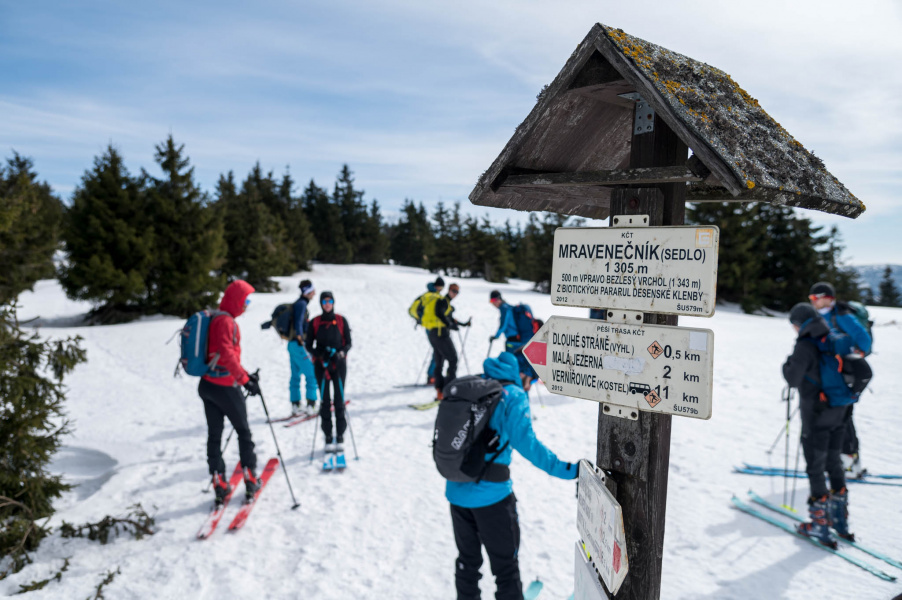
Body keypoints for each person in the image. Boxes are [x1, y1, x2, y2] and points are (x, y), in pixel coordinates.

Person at [446, 352, 579, 600]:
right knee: (505, 567)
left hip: (456, 491)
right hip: (492, 497)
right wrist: (566, 469)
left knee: (467, 561)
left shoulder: (472, 388)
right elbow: (528, 445)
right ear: (519, 373)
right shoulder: (512, 396)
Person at [783, 303, 853, 547]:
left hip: (816, 414)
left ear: (800, 323)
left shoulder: (805, 344)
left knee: (815, 465)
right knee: (834, 462)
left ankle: (820, 525)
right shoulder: (831, 337)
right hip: (839, 410)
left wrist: (787, 364)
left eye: (793, 323)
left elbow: (792, 379)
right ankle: (840, 522)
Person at [199, 279, 261, 502]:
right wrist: (245, 381)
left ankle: (219, 482)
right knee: (243, 432)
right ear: (236, 300)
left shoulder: (217, 318)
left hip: (207, 385)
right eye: (245, 300)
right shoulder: (226, 322)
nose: (246, 305)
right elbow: (226, 354)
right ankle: (250, 478)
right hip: (225, 387)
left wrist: (245, 375)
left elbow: (224, 356)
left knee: (214, 435)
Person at [808, 282, 872, 477]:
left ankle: (851, 461)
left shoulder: (842, 315)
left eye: (815, 298)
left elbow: (864, 340)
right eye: (811, 299)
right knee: (838, 416)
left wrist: (855, 356)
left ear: (827, 297)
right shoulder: (822, 316)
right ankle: (845, 460)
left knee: (844, 415)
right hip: (832, 374)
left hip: (846, 375)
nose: (813, 302)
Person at [306, 291, 352, 452]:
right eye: (324, 301)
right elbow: (308, 344)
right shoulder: (315, 322)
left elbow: (348, 343)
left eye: (330, 300)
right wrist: (319, 354)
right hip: (321, 365)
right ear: (320, 303)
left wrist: (340, 353)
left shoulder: (340, 320)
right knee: (325, 400)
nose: (327, 304)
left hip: (338, 364)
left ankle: (340, 434)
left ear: (333, 302)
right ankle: (327, 434)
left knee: (339, 399)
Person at [430, 283, 472, 400]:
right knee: (453, 359)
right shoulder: (443, 301)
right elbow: (440, 315)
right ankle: (449, 390)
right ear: (449, 290)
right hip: (441, 335)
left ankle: (440, 392)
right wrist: (450, 325)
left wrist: (462, 324)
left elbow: (449, 318)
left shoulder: (446, 303)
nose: (455, 294)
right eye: (453, 291)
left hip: (435, 334)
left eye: (457, 292)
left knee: (440, 362)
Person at [488, 290, 534, 390]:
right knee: (519, 363)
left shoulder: (504, 308)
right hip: (520, 339)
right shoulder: (509, 307)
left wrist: (496, 336)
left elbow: (503, 324)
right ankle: (522, 385)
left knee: (511, 363)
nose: (493, 303)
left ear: (498, 299)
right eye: (491, 301)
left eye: (493, 300)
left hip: (513, 340)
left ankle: (515, 387)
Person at [289, 279, 319, 417]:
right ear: (307, 292)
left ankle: (295, 405)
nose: (314, 293)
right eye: (312, 291)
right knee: (311, 374)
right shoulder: (301, 304)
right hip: (299, 344)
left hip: (292, 344)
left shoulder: (299, 303)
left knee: (295, 375)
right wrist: (301, 337)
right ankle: (311, 405)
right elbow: (298, 322)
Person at [408, 281, 440, 384]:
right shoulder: (433, 297)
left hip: (428, 327)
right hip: (434, 327)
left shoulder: (424, 296)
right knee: (438, 350)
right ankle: (432, 375)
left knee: (438, 350)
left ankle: (433, 375)